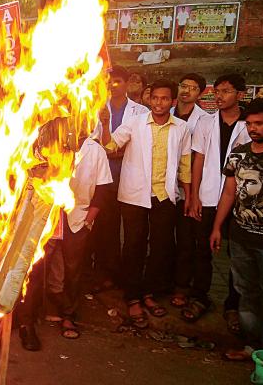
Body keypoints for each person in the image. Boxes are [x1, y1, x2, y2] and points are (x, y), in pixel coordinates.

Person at [99, 79, 192, 329]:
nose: (159, 103)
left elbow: (185, 165)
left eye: (165, 99)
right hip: (134, 196)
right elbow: (110, 146)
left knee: (160, 248)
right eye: (155, 98)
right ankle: (132, 297)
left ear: (172, 102)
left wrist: (189, 198)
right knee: (133, 246)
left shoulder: (181, 128)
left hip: (164, 196)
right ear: (149, 100)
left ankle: (148, 293)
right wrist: (106, 124)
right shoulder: (135, 123)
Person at [210, 99, 263, 361]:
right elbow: (228, 193)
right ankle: (251, 346)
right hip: (240, 238)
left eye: (259, 123)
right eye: (249, 124)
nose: (253, 129)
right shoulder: (238, 154)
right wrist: (217, 228)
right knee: (246, 294)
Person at [16, 125, 113, 351]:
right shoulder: (46, 146)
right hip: (45, 214)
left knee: (73, 269)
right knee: (35, 268)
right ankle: (27, 321)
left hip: (77, 217)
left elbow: (103, 188)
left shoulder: (94, 150)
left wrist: (89, 219)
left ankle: (68, 314)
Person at [182, 74, 250, 324]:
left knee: (237, 253)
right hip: (208, 195)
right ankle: (200, 296)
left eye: (226, 91)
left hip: (241, 200)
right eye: (216, 92)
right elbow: (197, 159)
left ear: (240, 95)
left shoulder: (249, 124)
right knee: (202, 250)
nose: (219, 97)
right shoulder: (206, 123)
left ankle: (233, 303)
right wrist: (195, 195)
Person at [90, 66, 148, 292]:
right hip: (104, 178)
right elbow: (94, 144)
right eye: (107, 82)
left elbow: (140, 144)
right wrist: (111, 146)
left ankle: (130, 276)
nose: (111, 86)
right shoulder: (95, 109)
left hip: (131, 176)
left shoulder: (141, 112)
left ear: (126, 83)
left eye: (116, 82)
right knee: (106, 228)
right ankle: (106, 273)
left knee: (134, 231)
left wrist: (115, 150)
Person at [170, 73, 209, 311]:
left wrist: (193, 194)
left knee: (188, 241)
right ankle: (165, 281)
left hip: (190, 190)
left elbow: (198, 158)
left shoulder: (204, 120)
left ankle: (185, 288)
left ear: (200, 93)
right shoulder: (165, 112)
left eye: (192, 88)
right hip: (163, 186)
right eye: (183, 86)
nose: (186, 91)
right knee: (164, 239)